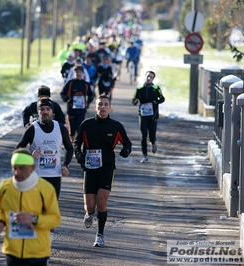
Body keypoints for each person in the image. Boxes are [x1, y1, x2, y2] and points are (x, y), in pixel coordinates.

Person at [74, 95, 132, 247]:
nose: (103, 107)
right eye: (100, 104)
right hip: (90, 168)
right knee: (90, 205)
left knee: (102, 201)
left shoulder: (116, 126)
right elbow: (76, 143)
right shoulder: (86, 125)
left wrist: (126, 150)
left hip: (107, 168)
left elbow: (127, 143)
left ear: (110, 107)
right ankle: (89, 213)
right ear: (95, 107)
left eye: (106, 104)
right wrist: (79, 155)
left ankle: (100, 235)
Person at [0, 148, 61, 266]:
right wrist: (1, 221)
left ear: (32, 168)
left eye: (22, 168)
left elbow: (55, 219)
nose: (17, 173)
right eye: (15, 168)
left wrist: (33, 219)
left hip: (37, 251)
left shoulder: (45, 189)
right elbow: (1, 208)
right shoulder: (5, 187)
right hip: (13, 250)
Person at [132, 71, 165, 163]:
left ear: (153, 79)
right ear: (145, 77)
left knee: (152, 135)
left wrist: (157, 102)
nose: (149, 78)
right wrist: (135, 101)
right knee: (143, 135)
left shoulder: (156, 88)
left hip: (153, 115)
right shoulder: (139, 88)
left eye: (151, 77)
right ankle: (145, 155)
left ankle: (153, 142)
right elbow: (134, 100)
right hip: (143, 115)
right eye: (148, 76)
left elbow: (162, 98)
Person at [60, 64, 94, 142]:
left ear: (83, 73)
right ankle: (72, 142)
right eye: (76, 72)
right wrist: (67, 99)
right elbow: (62, 93)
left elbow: (91, 94)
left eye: (80, 72)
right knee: (72, 129)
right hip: (71, 110)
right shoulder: (70, 83)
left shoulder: (86, 84)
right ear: (74, 73)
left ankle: (77, 145)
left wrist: (89, 100)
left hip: (82, 110)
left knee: (80, 128)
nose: (78, 74)